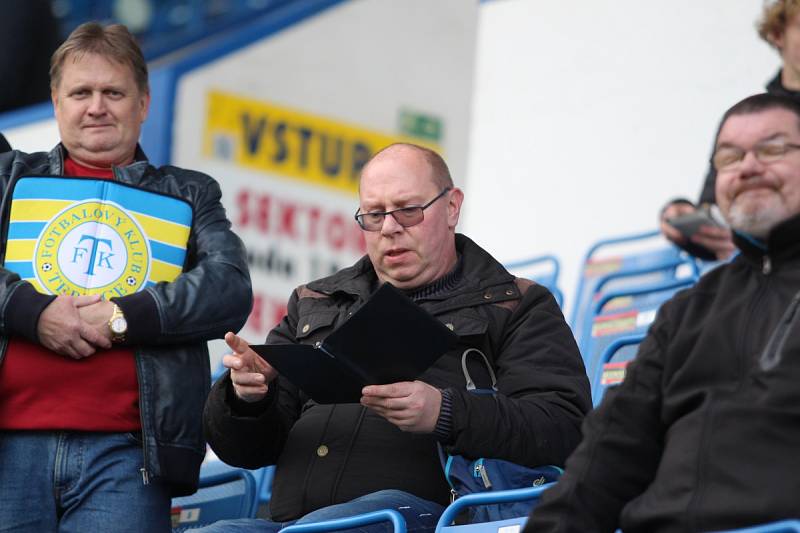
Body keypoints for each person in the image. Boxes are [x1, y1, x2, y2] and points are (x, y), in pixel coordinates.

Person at [201, 143, 591, 533]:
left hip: (431, 519)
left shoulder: (515, 305)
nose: (390, 227)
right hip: (289, 524)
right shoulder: (316, 301)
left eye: (408, 210)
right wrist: (247, 399)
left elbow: (565, 428)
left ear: (452, 207)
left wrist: (447, 413)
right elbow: (247, 452)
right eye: (374, 214)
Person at [0, 22, 252, 532]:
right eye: (81, 92)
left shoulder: (190, 192)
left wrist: (122, 317)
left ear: (143, 104)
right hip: (7, 450)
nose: (97, 106)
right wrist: (33, 312)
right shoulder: (9, 179)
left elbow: (229, 285)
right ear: (56, 102)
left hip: (128, 458)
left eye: (113, 92)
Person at [527, 92, 800, 532]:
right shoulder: (686, 312)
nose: (748, 167)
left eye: (772, 149)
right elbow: (609, 453)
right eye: (729, 158)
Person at [660, 0, 800, 261]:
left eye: (774, 149)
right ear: (777, 35)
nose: (750, 168)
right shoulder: (746, 120)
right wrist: (682, 219)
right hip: (756, 275)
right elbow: (714, 208)